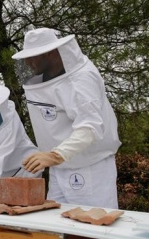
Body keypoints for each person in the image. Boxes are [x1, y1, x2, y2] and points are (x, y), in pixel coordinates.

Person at [12, 27, 121, 208]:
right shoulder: (46, 78)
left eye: (33, 56)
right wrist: (54, 158)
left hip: (90, 168)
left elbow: (90, 128)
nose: (28, 61)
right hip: (60, 167)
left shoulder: (81, 80)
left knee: (93, 228)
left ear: (50, 54)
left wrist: (56, 155)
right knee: (58, 228)